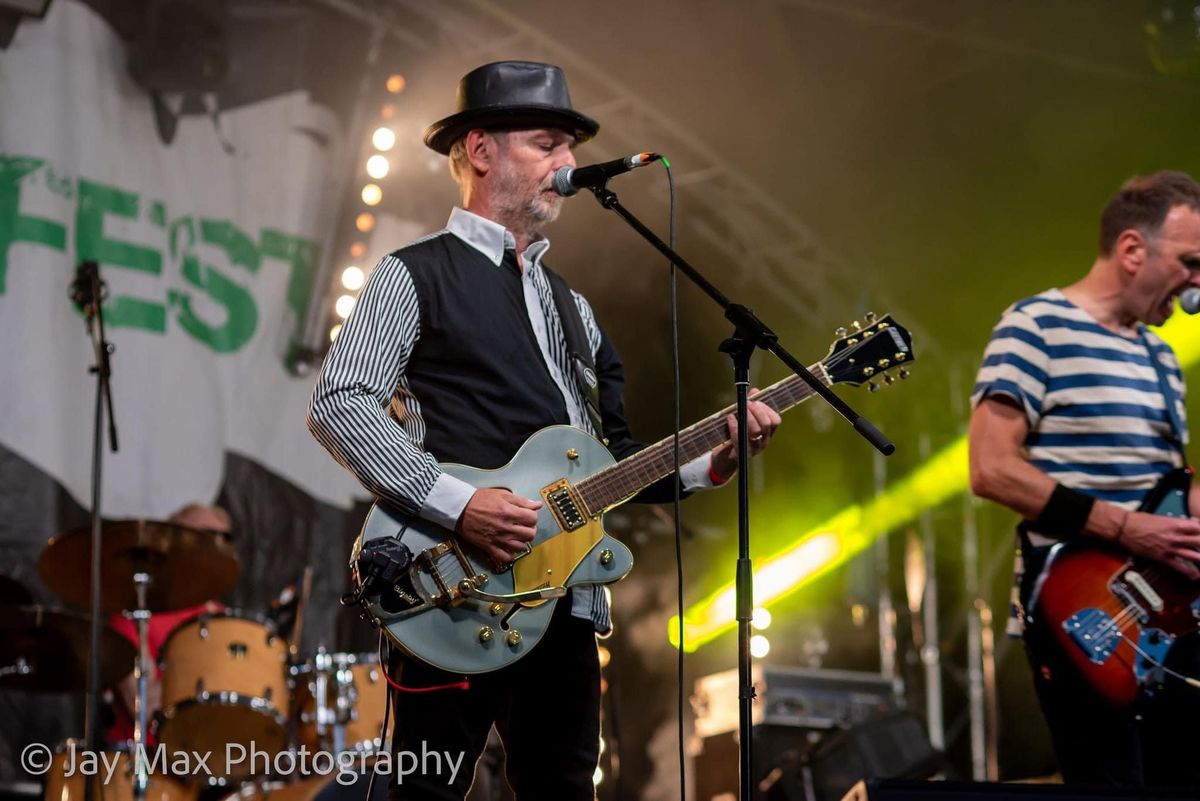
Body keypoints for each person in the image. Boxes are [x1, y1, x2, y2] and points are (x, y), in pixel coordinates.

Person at [307, 60, 780, 800]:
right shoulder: (413, 275)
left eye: (570, 146)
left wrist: (711, 462)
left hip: (564, 603)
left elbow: (613, 464)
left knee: (562, 788)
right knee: (424, 790)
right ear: (482, 150)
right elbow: (340, 401)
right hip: (451, 584)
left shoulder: (577, 313)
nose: (568, 162)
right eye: (546, 143)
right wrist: (461, 503)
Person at [968, 170, 1200, 786]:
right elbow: (991, 469)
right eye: (1191, 261)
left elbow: (1172, 491)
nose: (1199, 282)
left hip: (1169, 614)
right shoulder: (1034, 326)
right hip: (1085, 615)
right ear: (1132, 250)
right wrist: (1128, 529)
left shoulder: (1161, 357)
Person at [107, 503, 229, 745]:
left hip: (218, 758)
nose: (215, 545)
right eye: (203, 535)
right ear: (170, 544)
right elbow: (142, 706)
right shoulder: (137, 613)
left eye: (224, 537)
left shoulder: (226, 618)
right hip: (151, 763)